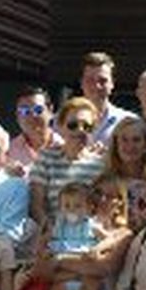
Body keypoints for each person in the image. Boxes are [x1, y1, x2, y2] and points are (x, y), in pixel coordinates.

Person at [29, 96, 105, 229]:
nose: (80, 130)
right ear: (61, 127)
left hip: (88, 235)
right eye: (73, 125)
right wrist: (52, 231)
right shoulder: (46, 158)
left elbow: (102, 208)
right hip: (53, 235)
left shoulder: (101, 164)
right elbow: (36, 204)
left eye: (87, 126)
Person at [101, 116, 146, 227]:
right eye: (124, 140)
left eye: (136, 140)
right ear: (116, 145)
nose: (130, 146)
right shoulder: (103, 182)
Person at [79, 50, 134, 147]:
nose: (96, 86)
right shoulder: (61, 121)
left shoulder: (128, 121)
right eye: (90, 80)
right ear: (81, 83)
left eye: (102, 81)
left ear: (112, 84)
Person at [8, 85, 63, 176]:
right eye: (25, 111)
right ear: (17, 117)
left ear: (50, 111)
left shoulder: (66, 145)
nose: (32, 116)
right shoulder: (9, 151)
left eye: (38, 110)